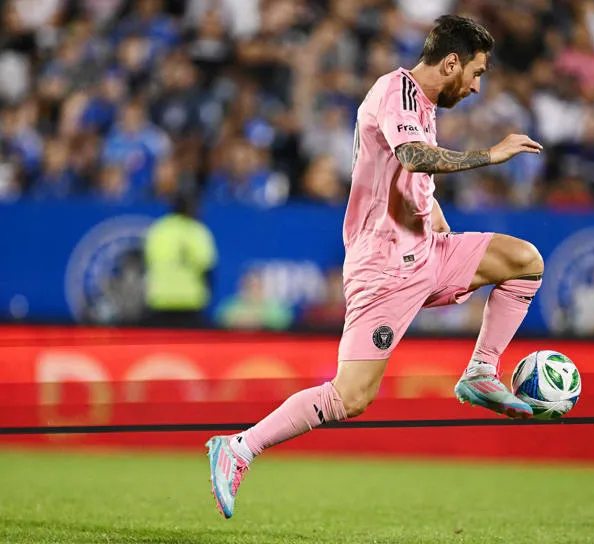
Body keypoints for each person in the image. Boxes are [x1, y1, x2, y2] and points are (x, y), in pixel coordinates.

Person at [206, 15, 544, 519]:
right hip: (384, 268)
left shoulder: (423, 105)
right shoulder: (397, 90)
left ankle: (480, 371)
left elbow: (407, 177)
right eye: (476, 73)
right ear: (451, 63)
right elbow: (413, 157)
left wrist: (436, 219)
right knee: (352, 396)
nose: (476, 87)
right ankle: (239, 448)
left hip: (426, 250)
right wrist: (491, 155)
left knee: (524, 262)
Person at [143, 193, 217, 328]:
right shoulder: (196, 230)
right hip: (189, 301)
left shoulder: (159, 229)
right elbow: (207, 266)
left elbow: (147, 262)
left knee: (162, 341)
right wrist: (209, 292)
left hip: (160, 300)